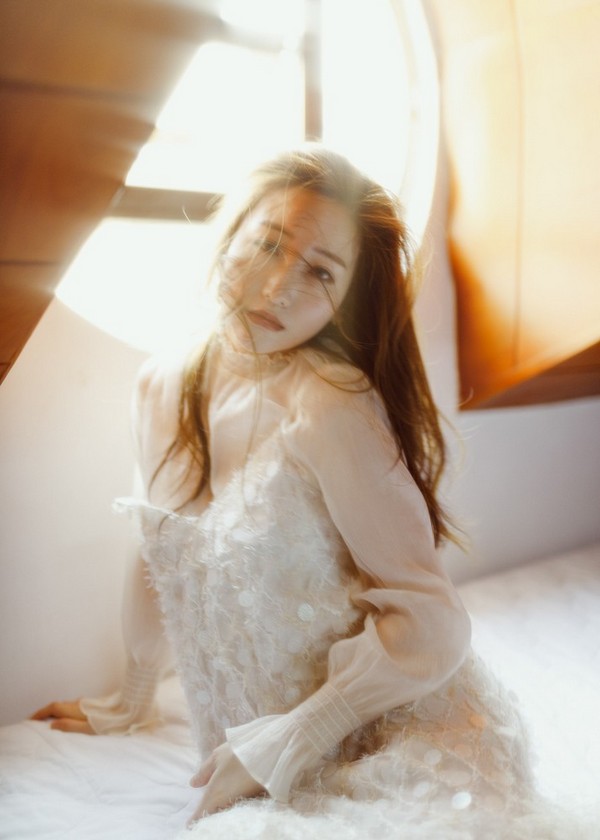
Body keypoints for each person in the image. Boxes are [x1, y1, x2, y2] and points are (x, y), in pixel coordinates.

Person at [32, 146, 557, 837]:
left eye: (320, 272)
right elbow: (159, 548)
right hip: (249, 754)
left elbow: (435, 617)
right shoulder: (160, 385)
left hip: (389, 734)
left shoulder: (331, 404)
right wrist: (133, 695)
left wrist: (288, 741)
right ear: (229, 236)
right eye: (268, 244)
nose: (278, 285)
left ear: (343, 304)